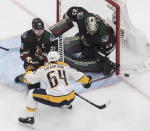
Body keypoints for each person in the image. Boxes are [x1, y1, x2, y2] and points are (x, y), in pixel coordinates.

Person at [18, 51, 92, 126]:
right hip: (71, 97)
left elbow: (28, 79)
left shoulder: (43, 69)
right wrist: (88, 80)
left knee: (31, 92)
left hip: (55, 99)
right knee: (64, 88)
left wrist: (29, 69)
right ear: (58, 58)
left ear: (48, 59)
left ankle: (29, 118)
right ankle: (67, 104)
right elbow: (80, 76)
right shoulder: (65, 67)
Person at [49, 6, 118, 75]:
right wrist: (55, 31)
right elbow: (71, 11)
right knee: (57, 44)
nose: (91, 33)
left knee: (81, 64)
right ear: (86, 24)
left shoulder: (104, 37)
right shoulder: (82, 16)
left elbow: (109, 48)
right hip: (84, 38)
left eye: (93, 32)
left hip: (96, 46)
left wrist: (101, 59)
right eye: (89, 31)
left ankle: (97, 62)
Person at [15, 18, 58, 90]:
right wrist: (30, 60)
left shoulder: (50, 38)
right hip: (32, 61)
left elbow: (53, 54)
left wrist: (47, 62)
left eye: (41, 29)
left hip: (45, 60)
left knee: (55, 81)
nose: (39, 32)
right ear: (33, 29)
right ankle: (24, 77)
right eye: (37, 30)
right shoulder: (26, 36)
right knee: (34, 85)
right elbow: (23, 53)